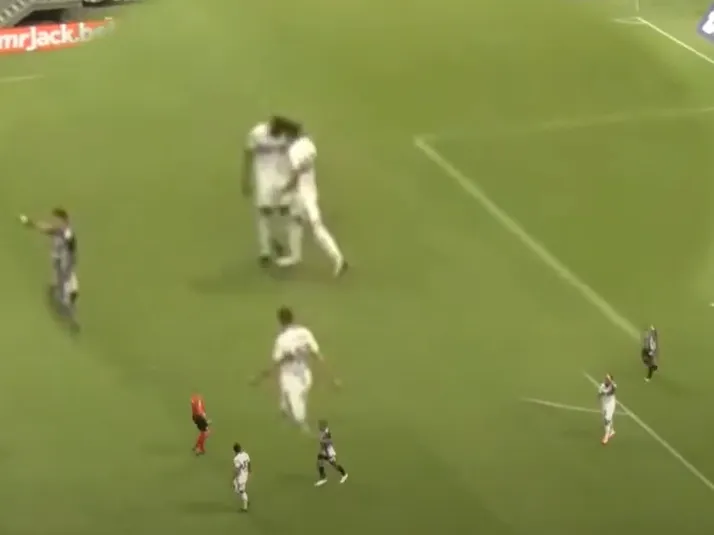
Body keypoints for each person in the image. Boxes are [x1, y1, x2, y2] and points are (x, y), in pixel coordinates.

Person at [273, 120, 348, 276]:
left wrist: (284, 190)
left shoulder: (294, 151)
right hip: (310, 191)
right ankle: (295, 257)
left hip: (303, 195)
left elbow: (295, 175)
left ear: (288, 135)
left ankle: (339, 259)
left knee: (316, 227)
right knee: (295, 221)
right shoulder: (308, 143)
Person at [251, 306, 340, 432]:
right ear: (292, 318)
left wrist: (261, 376)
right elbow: (317, 355)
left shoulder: (282, 340)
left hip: (289, 376)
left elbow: (277, 361)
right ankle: (286, 408)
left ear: (280, 321)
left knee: (297, 406)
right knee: (296, 399)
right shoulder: (305, 333)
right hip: (305, 374)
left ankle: (305, 429)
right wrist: (332, 377)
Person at [242, 116, 292, 265]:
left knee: (284, 210)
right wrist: (245, 178)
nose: (276, 135)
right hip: (263, 177)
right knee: (265, 212)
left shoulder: (288, 135)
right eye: (274, 132)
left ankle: (279, 241)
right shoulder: (257, 133)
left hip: (283, 175)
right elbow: (248, 155)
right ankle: (265, 252)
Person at [19, 208, 79, 329]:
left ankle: (58, 295)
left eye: (59, 220)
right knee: (68, 292)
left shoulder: (67, 235)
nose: (56, 222)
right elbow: (45, 228)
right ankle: (71, 320)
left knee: (72, 291)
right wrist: (30, 223)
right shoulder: (58, 231)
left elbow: (71, 248)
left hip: (66, 265)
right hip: (60, 265)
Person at [315, 419, 348, 486]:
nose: (319, 427)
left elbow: (327, 443)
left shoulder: (326, 434)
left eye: (321, 426)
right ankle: (323, 478)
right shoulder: (323, 432)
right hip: (324, 451)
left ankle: (344, 474)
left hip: (329, 452)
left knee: (334, 465)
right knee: (319, 461)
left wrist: (328, 455)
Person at [597, 374, 617, 445]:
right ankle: (612, 431)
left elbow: (612, 392)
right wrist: (600, 394)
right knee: (606, 419)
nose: (606, 380)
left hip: (611, 404)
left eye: (608, 379)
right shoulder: (602, 386)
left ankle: (606, 436)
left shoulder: (613, 386)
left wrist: (604, 392)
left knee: (606, 419)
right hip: (604, 404)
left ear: (611, 380)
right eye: (606, 378)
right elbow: (599, 395)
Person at [232, 442, 251, 512]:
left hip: (240, 477)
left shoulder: (236, 459)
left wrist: (233, 477)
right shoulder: (245, 454)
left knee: (241, 491)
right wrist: (250, 471)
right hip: (245, 474)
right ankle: (245, 500)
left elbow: (237, 469)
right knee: (238, 489)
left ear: (234, 451)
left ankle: (245, 507)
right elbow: (249, 462)